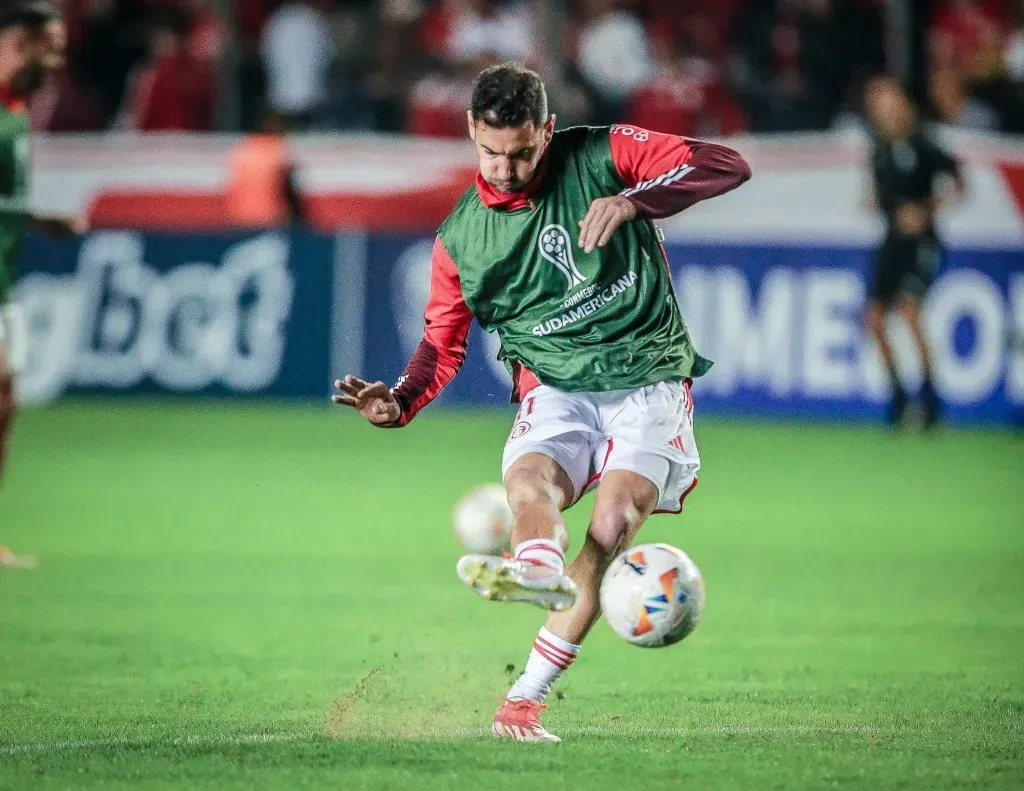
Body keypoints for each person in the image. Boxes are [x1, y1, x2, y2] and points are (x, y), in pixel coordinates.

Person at [333, 62, 750, 741]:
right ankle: (534, 568)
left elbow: (723, 162)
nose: (505, 167)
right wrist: (402, 400)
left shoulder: (601, 154)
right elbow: (441, 344)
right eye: (492, 152)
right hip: (554, 387)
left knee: (613, 521)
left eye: (522, 151)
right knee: (530, 482)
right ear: (471, 131)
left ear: (547, 131)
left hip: (646, 376)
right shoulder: (462, 240)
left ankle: (523, 698)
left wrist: (634, 200)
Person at [0, 1, 81, 568]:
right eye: (51, 43)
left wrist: (41, 219)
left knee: (6, 401)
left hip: (6, 277)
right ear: (19, 40)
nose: (59, 56)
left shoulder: (17, 108)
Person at [863, 77, 966, 428]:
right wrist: (878, 205)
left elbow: (959, 182)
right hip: (892, 243)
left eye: (887, 102)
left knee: (909, 311)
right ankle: (898, 396)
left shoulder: (924, 145)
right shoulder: (878, 150)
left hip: (922, 244)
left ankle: (930, 398)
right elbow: (881, 197)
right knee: (874, 319)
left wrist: (928, 211)